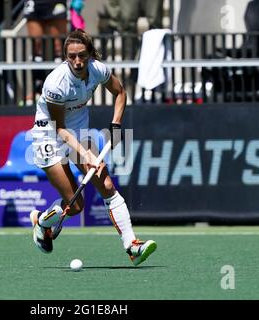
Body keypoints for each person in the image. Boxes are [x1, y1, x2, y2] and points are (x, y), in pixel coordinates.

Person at [29, 29, 157, 266]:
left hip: (78, 131)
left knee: (106, 184)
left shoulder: (97, 70)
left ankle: (132, 246)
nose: (77, 62)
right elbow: (60, 129)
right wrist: (86, 153)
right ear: (66, 56)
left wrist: (116, 123)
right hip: (49, 136)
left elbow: (120, 93)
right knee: (75, 206)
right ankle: (43, 222)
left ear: (89, 54)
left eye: (82, 56)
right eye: (71, 56)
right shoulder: (56, 83)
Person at [23, 0, 68, 105]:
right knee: (36, 46)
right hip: (35, 3)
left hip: (55, 2)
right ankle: (38, 87)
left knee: (58, 46)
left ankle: (61, 86)